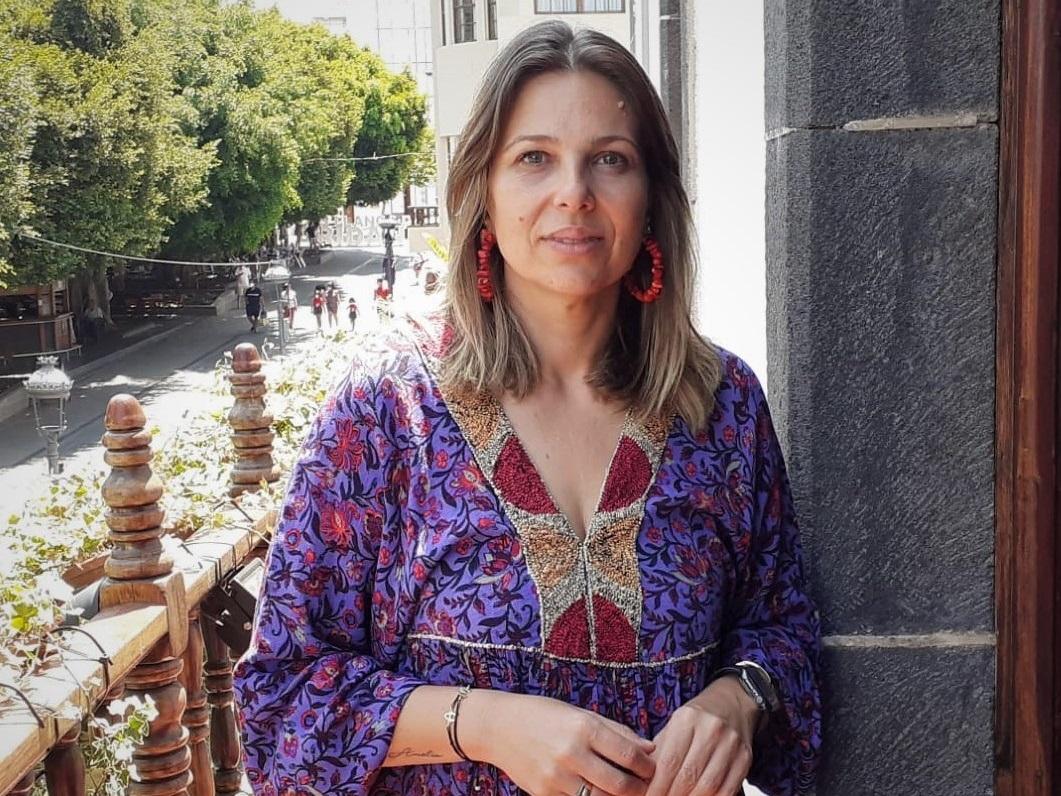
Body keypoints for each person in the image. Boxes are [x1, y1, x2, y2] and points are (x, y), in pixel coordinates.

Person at [234, 21, 821, 796]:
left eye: (610, 159)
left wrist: (737, 698)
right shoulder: (386, 412)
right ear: (483, 192)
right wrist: (483, 724)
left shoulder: (720, 404)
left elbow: (783, 627)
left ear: (651, 198)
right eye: (534, 158)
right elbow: (279, 701)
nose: (573, 193)